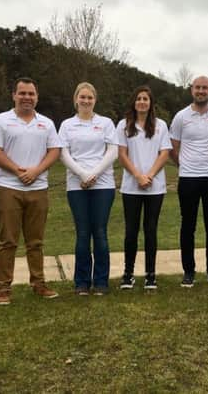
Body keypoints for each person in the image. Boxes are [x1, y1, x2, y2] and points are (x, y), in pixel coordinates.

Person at [0, 77, 62, 305]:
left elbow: (54, 151)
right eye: (22, 93)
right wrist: (19, 171)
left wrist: (35, 171)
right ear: (14, 95)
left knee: (35, 241)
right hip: (9, 187)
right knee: (7, 241)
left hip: (38, 188)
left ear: (37, 97)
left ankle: (38, 284)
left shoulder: (46, 123)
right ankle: (3, 289)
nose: (27, 97)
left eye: (31, 94)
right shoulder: (0, 121)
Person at [59, 82, 118, 296]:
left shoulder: (106, 123)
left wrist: (94, 174)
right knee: (83, 234)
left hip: (103, 185)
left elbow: (112, 152)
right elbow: (63, 153)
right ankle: (81, 282)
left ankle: (101, 281)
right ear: (76, 99)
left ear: (95, 100)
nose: (86, 101)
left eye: (90, 98)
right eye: (82, 97)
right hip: (76, 185)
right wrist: (82, 175)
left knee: (100, 233)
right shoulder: (67, 125)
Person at [169, 76, 208, 288]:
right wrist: (183, 164)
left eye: (205, 88)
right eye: (197, 87)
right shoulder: (181, 117)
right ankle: (189, 272)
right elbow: (173, 147)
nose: (201, 91)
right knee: (188, 225)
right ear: (191, 90)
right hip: (188, 178)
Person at [117, 86, 172, 290]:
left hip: (154, 187)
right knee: (131, 232)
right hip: (131, 187)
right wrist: (138, 176)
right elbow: (122, 155)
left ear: (151, 103)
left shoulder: (161, 125)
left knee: (150, 231)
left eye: (146, 99)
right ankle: (128, 273)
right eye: (138, 98)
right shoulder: (123, 125)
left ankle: (150, 274)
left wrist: (148, 175)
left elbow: (165, 153)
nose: (142, 102)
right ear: (134, 102)